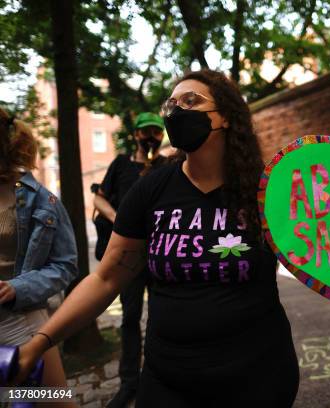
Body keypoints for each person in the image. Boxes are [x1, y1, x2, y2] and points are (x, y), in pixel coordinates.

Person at [13, 69, 300, 407]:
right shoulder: (152, 189)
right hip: (169, 381)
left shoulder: (268, 191)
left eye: (191, 101)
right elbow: (106, 278)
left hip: (258, 378)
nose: (177, 111)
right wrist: (41, 341)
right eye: (171, 104)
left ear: (226, 116)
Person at [0, 107, 78, 408]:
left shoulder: (38, 198)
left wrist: (17, 288)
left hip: (19, 325)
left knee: (50, 403)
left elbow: (66, 264)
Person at [93, 112, 167, 408]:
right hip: (129, 257)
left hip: (162, 253)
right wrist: (120, 220)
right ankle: (128, 384)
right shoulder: (121, 164)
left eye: (156, 132)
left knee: (162, 317)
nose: (150, 138)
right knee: (130, 319)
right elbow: (98, 198)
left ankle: (158, 379)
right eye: (145, 132)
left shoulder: (168, 165)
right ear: (136, 135)